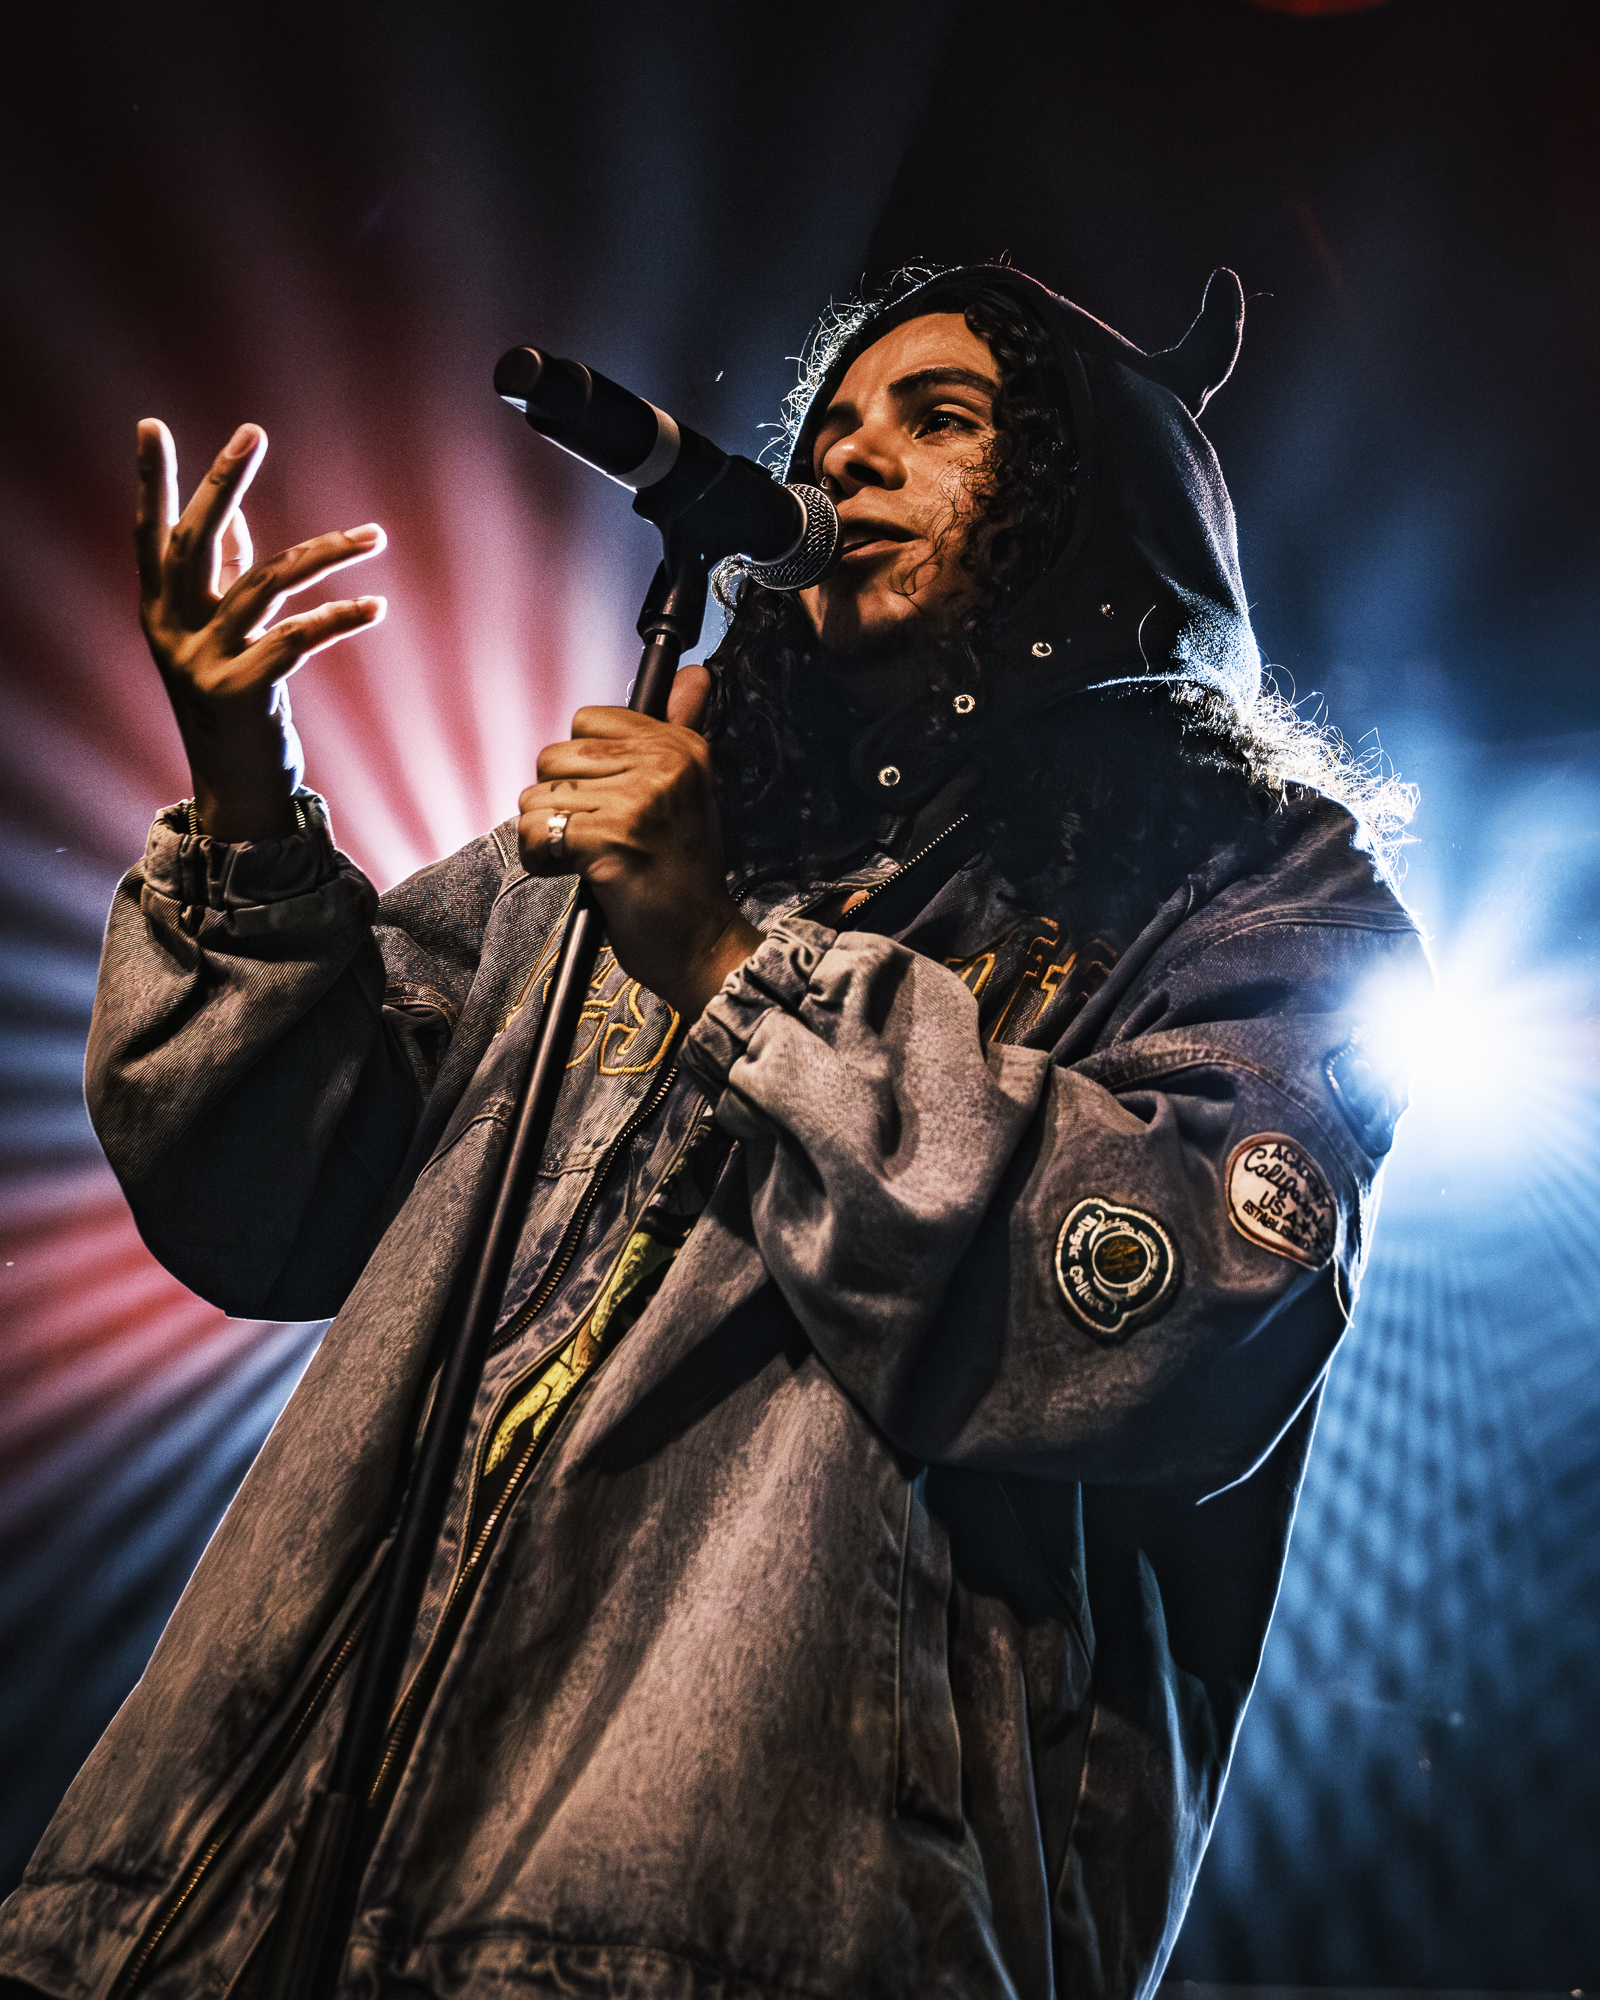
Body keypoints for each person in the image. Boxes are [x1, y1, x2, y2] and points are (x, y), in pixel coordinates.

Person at [0, 265, 1423, 2000]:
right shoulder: (681, 821)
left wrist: (736, 970)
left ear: (1103, 508)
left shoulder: (1253, 889)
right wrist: (247, 800)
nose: (851, 459)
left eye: (940, 420)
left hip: (748, 1929)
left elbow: (1185, 1314)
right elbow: (274, 1199)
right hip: (249, 1906)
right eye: (831, 432)